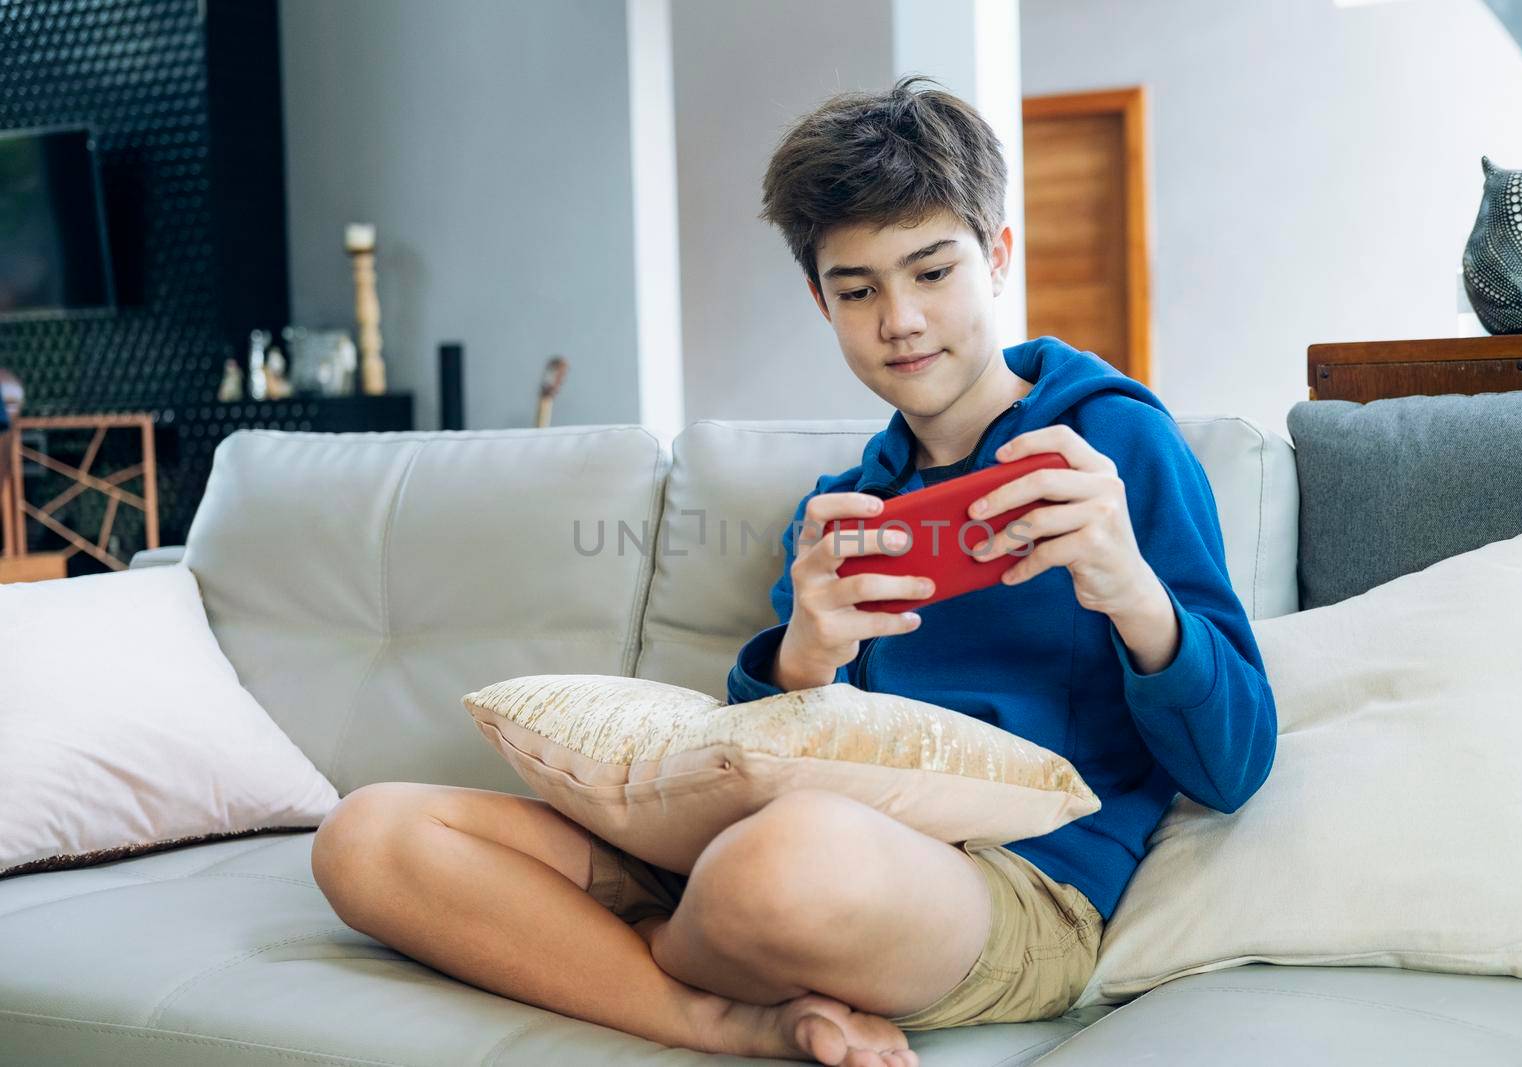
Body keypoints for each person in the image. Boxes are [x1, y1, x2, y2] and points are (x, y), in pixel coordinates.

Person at [310, 75, 1276, 1067]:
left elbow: (1233, 764)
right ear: (820, 300)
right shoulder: (843, 509)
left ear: (996, 257)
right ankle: (720, 1014)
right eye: (857, 290)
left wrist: (1129, 588)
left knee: (782, 862)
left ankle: (637, 954)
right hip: (767, 850)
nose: (898, 318)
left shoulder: (1114, 446)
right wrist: (805, 653)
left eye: (932, 272)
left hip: (1002, 885)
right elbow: (757, 754)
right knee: (367, 833)